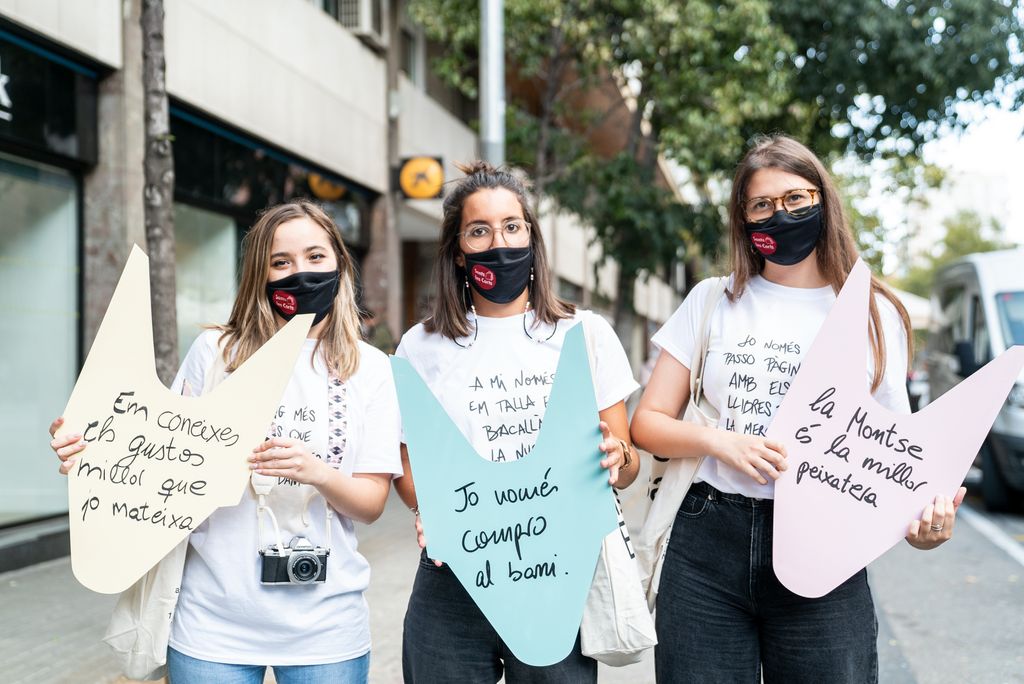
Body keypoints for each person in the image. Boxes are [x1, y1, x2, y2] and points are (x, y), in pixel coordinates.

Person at [630, 135, 965, 683]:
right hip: (708, 540)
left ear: (824, 202)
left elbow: (892, 455)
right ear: (743, 220)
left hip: (824, 546)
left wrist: (922, 525)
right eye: (761, 204)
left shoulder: (873, 313)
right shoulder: (713, 300)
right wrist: (720, 441)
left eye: (796, 198)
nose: (779, 214)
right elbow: (648, 422)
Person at [48, 200, 403, 684]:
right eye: (282, 262)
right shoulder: (217, 353)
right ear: (260, 273)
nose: (301, 272)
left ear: (340, 264)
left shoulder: (371, 368)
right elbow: (156, 456)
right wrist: (90, 456)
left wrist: (316, 471)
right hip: (210, 623)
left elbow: (371, 504)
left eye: (316, 257)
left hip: (327, 627)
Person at [394, 161, 641, 683]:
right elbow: (408, 466)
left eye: (511, 226)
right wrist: (429, 509)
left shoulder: (585, 334)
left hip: (555, 573)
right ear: (459, 251)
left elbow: (627, 462)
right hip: (452, 579)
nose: (497, 242)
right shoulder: (421, 347)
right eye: (479, 230)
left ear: (531, 235)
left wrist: (618, 458)